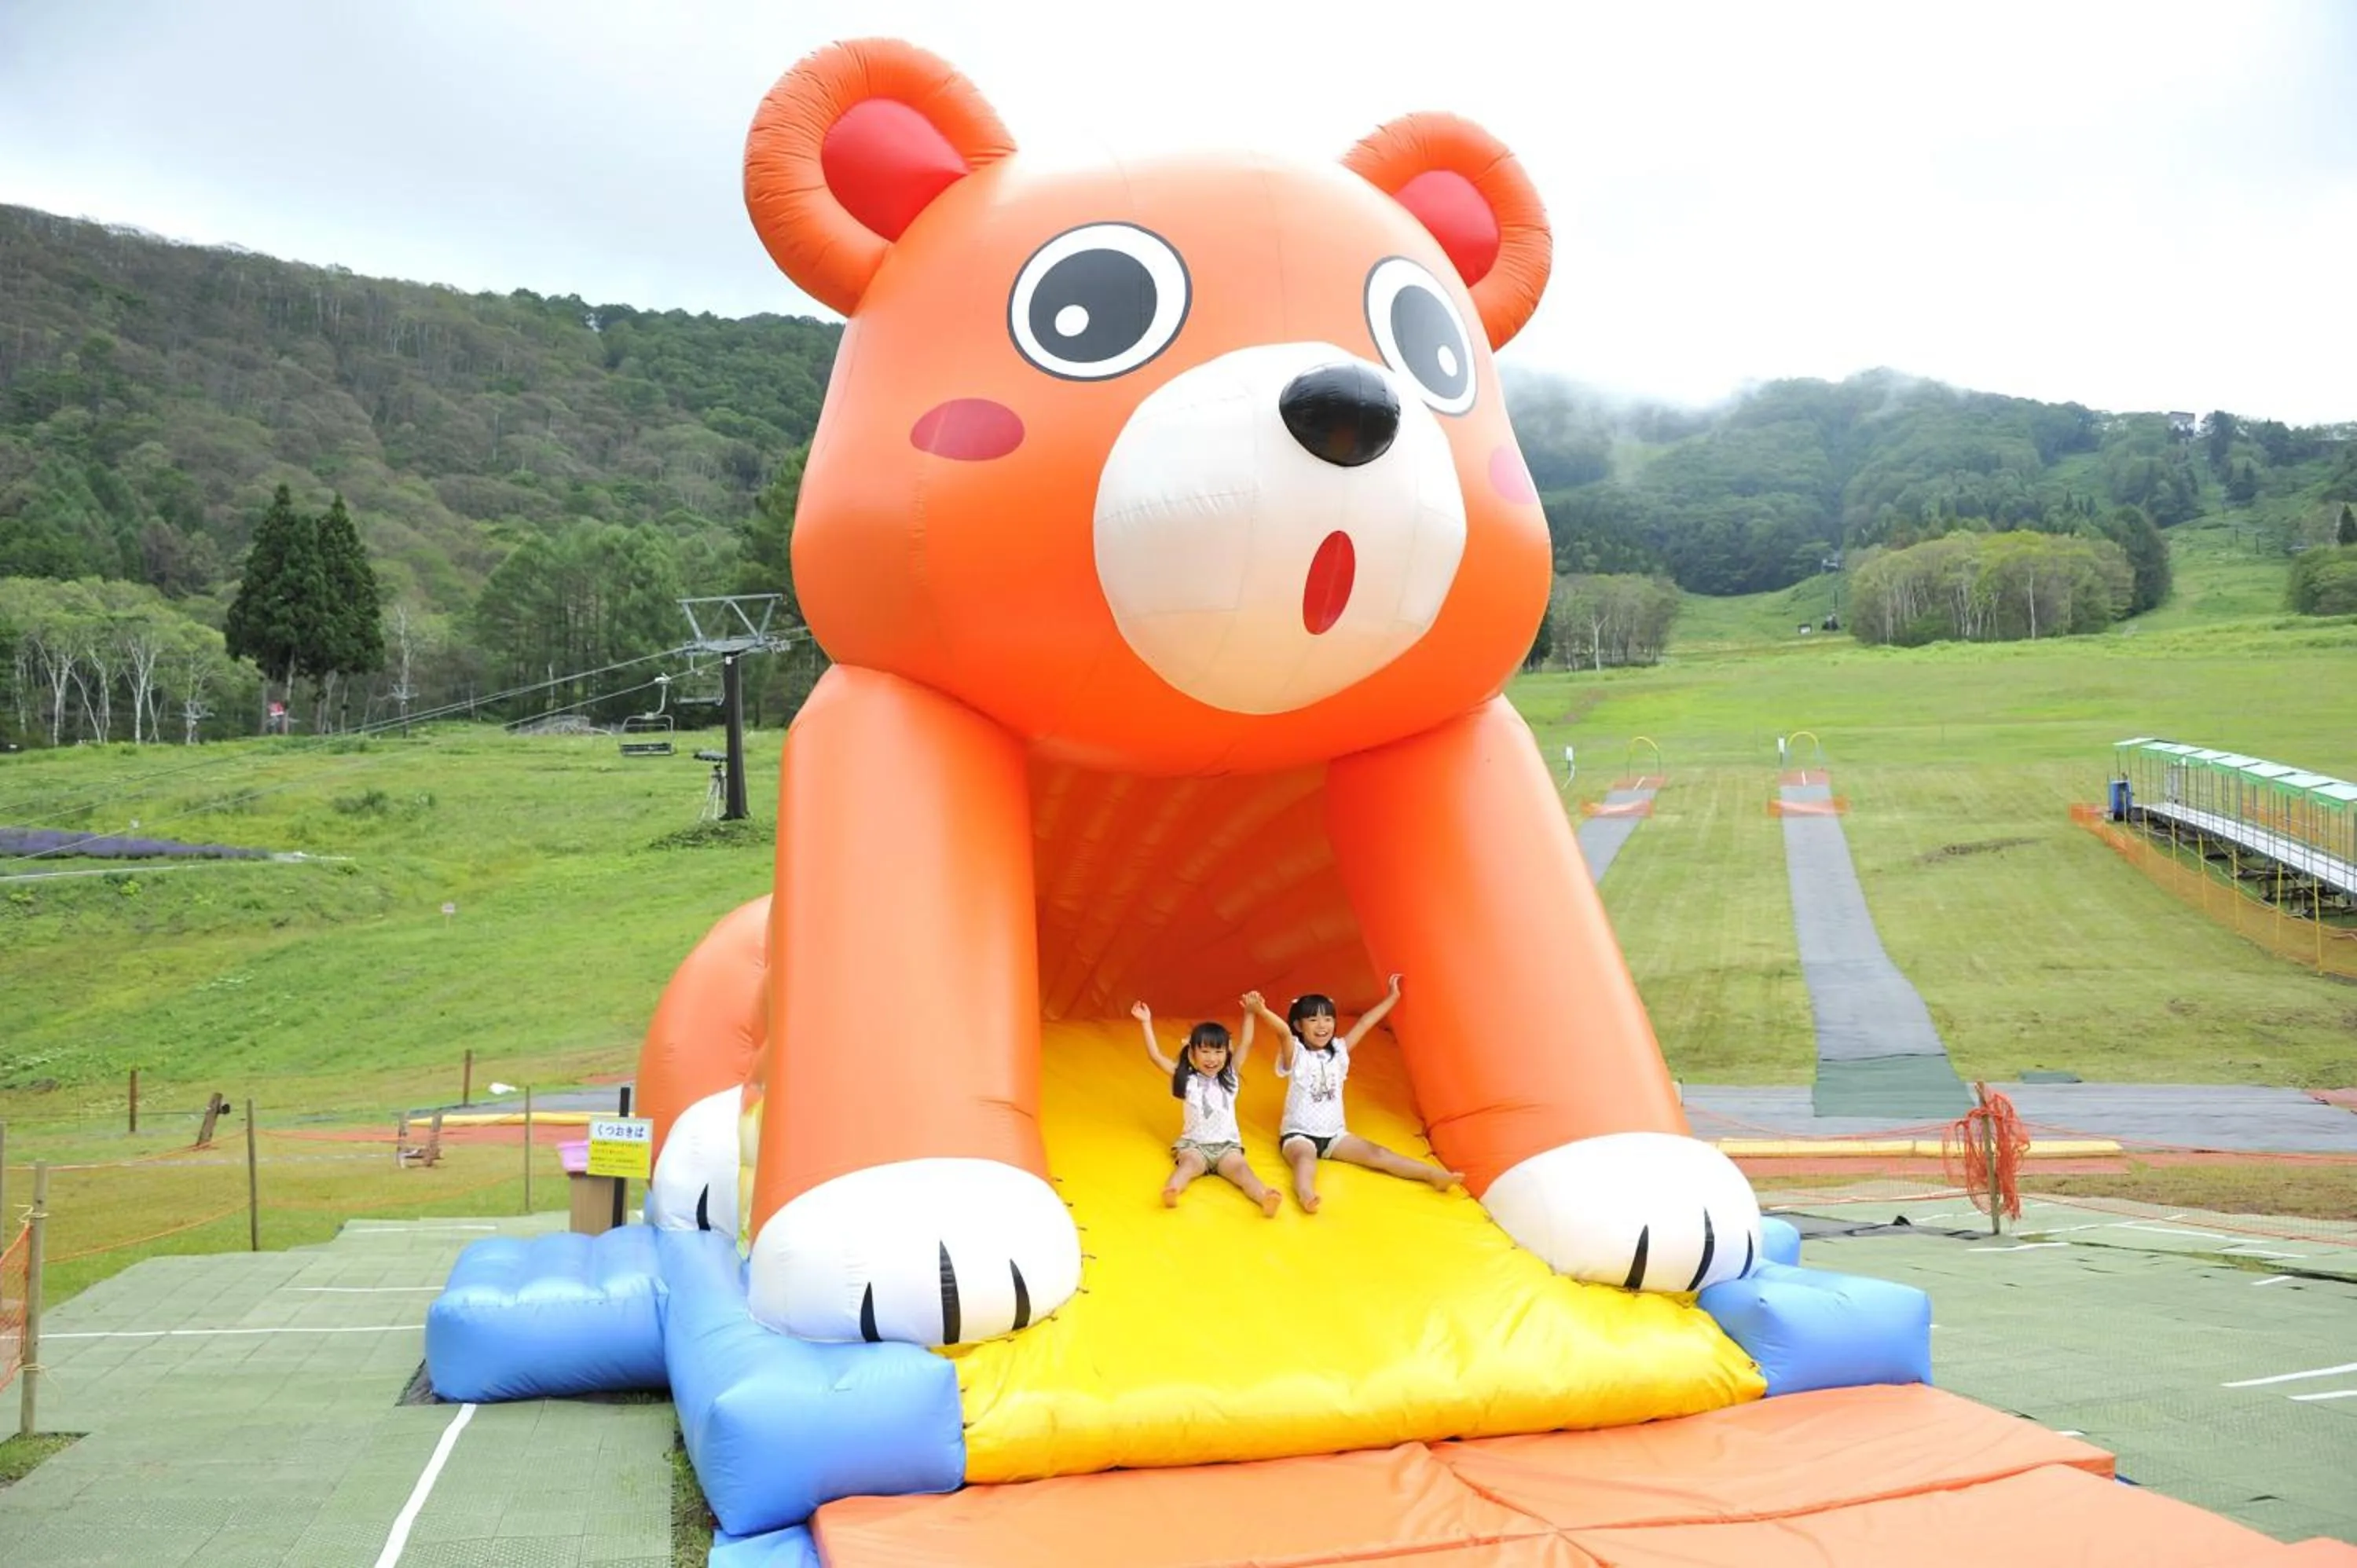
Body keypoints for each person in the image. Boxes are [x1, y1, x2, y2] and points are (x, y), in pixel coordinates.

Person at [1246, 977, 1463, 1214]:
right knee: (1304, 1161)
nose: (1322, 1025)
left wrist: (1392, 998)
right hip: (1299, 1135)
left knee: (1378, 1154)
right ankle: (1307, 1195)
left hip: (1335, 1136)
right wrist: (1262, 1011)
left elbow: (1365, 1023)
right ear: (1299, 1026)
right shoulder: (1297, 1054)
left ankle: (1432, 1175)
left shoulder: (1339, 1051)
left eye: (1328, 1019)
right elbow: (1283, 1033)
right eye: (1313, 1020)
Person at [1131, 1001, 1282, 1216]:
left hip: (1226, 1148)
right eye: (1205, 1051)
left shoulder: (1231, 1075)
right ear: (1192, 1053)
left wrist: (1250, 1013)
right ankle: (1172, 1190)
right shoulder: (1188, 1078)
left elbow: (1247, 1042)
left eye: (1219, 1051)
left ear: (1227, 1053)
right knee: (1187, 1167)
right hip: (1196, 1146)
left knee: (1243, 1171)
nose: (1212, 1058)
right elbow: (1155, 1056)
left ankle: (1264, 1197)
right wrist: (1146, 1022)